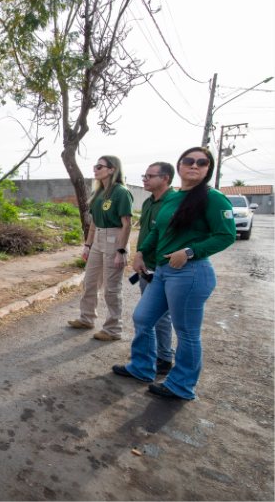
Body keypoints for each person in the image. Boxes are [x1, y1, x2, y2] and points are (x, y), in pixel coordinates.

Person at [112, 146, 236, 400]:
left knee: (187, 332)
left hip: (190, 273)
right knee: (144, 318)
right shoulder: (173, 197)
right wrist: (140, 253)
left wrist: (190, 252)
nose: (194, 165)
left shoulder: (213, 198)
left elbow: (226, 236)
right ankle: (143, 367)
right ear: (179, 166)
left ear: (208, 169)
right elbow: (158, 230)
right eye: (189, 161)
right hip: (163, 272)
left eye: (202, 163)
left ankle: (181, 384)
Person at [68, 156, 133, 341]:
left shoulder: (121, 192)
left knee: (111, 288)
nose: (95, 169)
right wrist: (87, 245)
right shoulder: (98, 193)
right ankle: (86, 318)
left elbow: (127, 224)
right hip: (98, 239)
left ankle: (113, 329)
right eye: (95, 166)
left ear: (112, 170)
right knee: (90, 282)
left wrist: (121, 250)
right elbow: (94, 224)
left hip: (115, 238)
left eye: (99, 166)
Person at [137, 162, 176, 375]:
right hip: (147, 265)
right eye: (145, 175)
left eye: (150, 176)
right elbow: (147, 232)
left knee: (160, 316)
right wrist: (139, 254)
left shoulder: (173, 203)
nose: (145, 179)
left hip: (163, 267)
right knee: (147, 316)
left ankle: (163, 357)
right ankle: (154, 355)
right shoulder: (149, 202)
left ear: (165, 178)